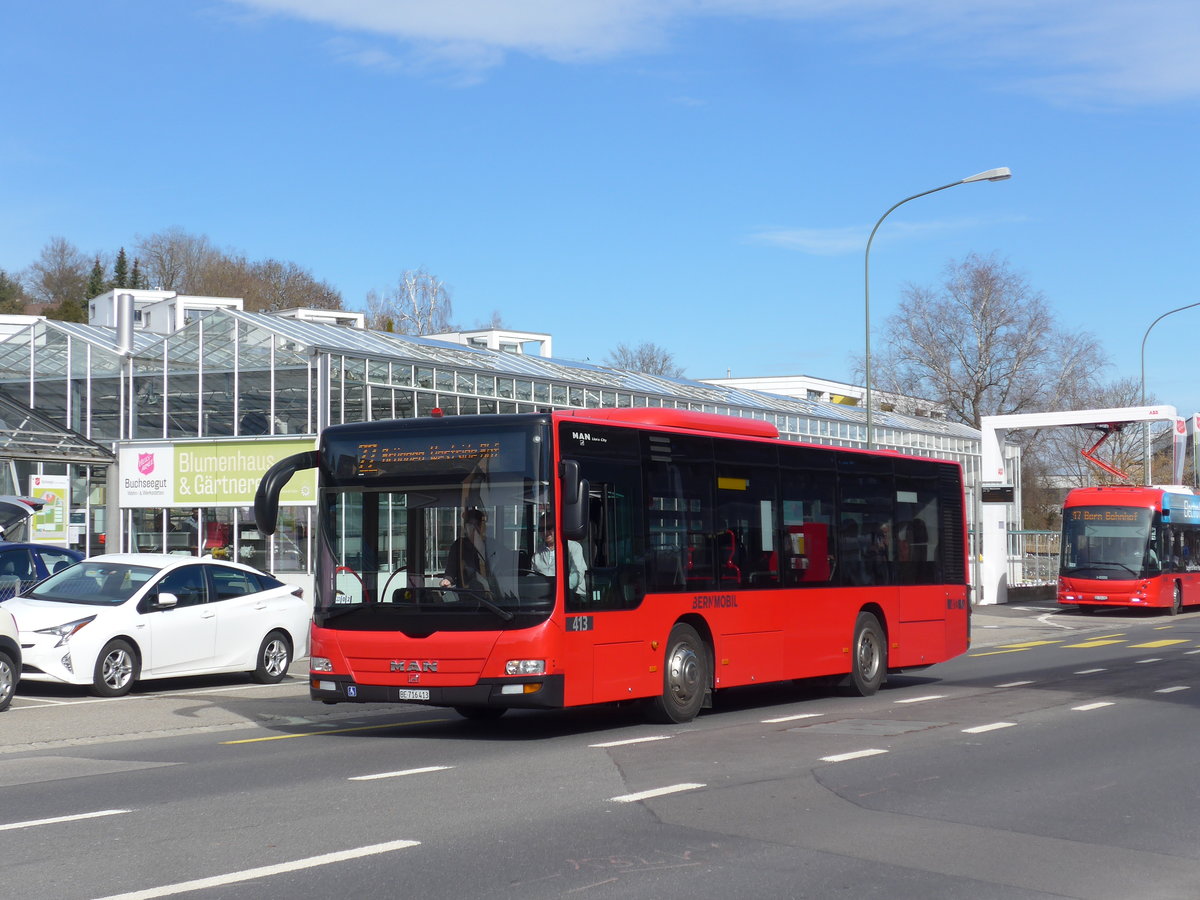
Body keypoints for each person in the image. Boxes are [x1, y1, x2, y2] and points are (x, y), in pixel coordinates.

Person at [531, 519, 587, 599]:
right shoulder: (537, 552)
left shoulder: (573, 547)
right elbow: (533, 576)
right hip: (544, 596)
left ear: (558, 527)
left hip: (573, 596)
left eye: (549, 527)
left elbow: (577, 574)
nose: (545, 532)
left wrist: (557, 589)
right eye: (541, 529)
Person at [441, 508, 493, 591]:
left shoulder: (492, 544)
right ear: (465, 528)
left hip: (494, 597)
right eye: (470, 525)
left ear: (483, 527)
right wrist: (447, 580)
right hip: (467, 595)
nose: (474, 529)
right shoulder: (458, 546)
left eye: (477, 525)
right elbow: (450, 570)